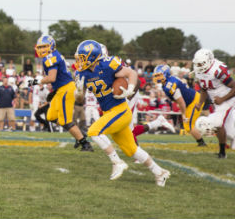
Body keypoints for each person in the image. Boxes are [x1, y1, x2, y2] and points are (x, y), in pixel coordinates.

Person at [75, 40, 170, 186]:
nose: (79, 61)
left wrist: (131, 88)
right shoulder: (81, 72)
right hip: (108, 112)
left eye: (82, 57)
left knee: (94, 131)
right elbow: (80, 100)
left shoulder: (107, 65)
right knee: (131, 149)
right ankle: (160, 172)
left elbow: (131, 73)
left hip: (120, 110)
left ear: (92, 57)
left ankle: (116, 162)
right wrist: (78, 91)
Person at [28, 35, 93, 151]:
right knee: (51, 116)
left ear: (51, 46)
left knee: (65, 121)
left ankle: (85, 143)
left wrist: (34, 82)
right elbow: (55, 77)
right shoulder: (52, 55)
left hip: (66, 89)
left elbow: (52, 78)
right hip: (61, 89)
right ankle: (78, 132)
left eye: (44, 46)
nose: (42, 49)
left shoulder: (50, 58)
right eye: (40, 47)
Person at [193, 49, 235, 158]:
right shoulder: (198, 71)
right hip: (217, 102)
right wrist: (200, 103)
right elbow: (203, 89)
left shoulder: (217, 71)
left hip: (228, 99)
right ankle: (223, 151)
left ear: (209, 61)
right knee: (229, 132)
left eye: (201, 63)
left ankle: (222, 153)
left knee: (217, 123)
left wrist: (223, 99)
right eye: (197, 63)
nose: (199, 66)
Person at [153, 64, 206, 146]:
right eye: (156, 75)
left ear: (166, 74)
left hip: (194, 101)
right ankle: (201, 142)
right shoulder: (168, 82)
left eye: (159, 75)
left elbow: (181, 102)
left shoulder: (169, 86)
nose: (157, 78)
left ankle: (202, 143)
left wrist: (183, 114)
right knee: (187, 125)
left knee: (188, 125)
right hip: (191, 100)